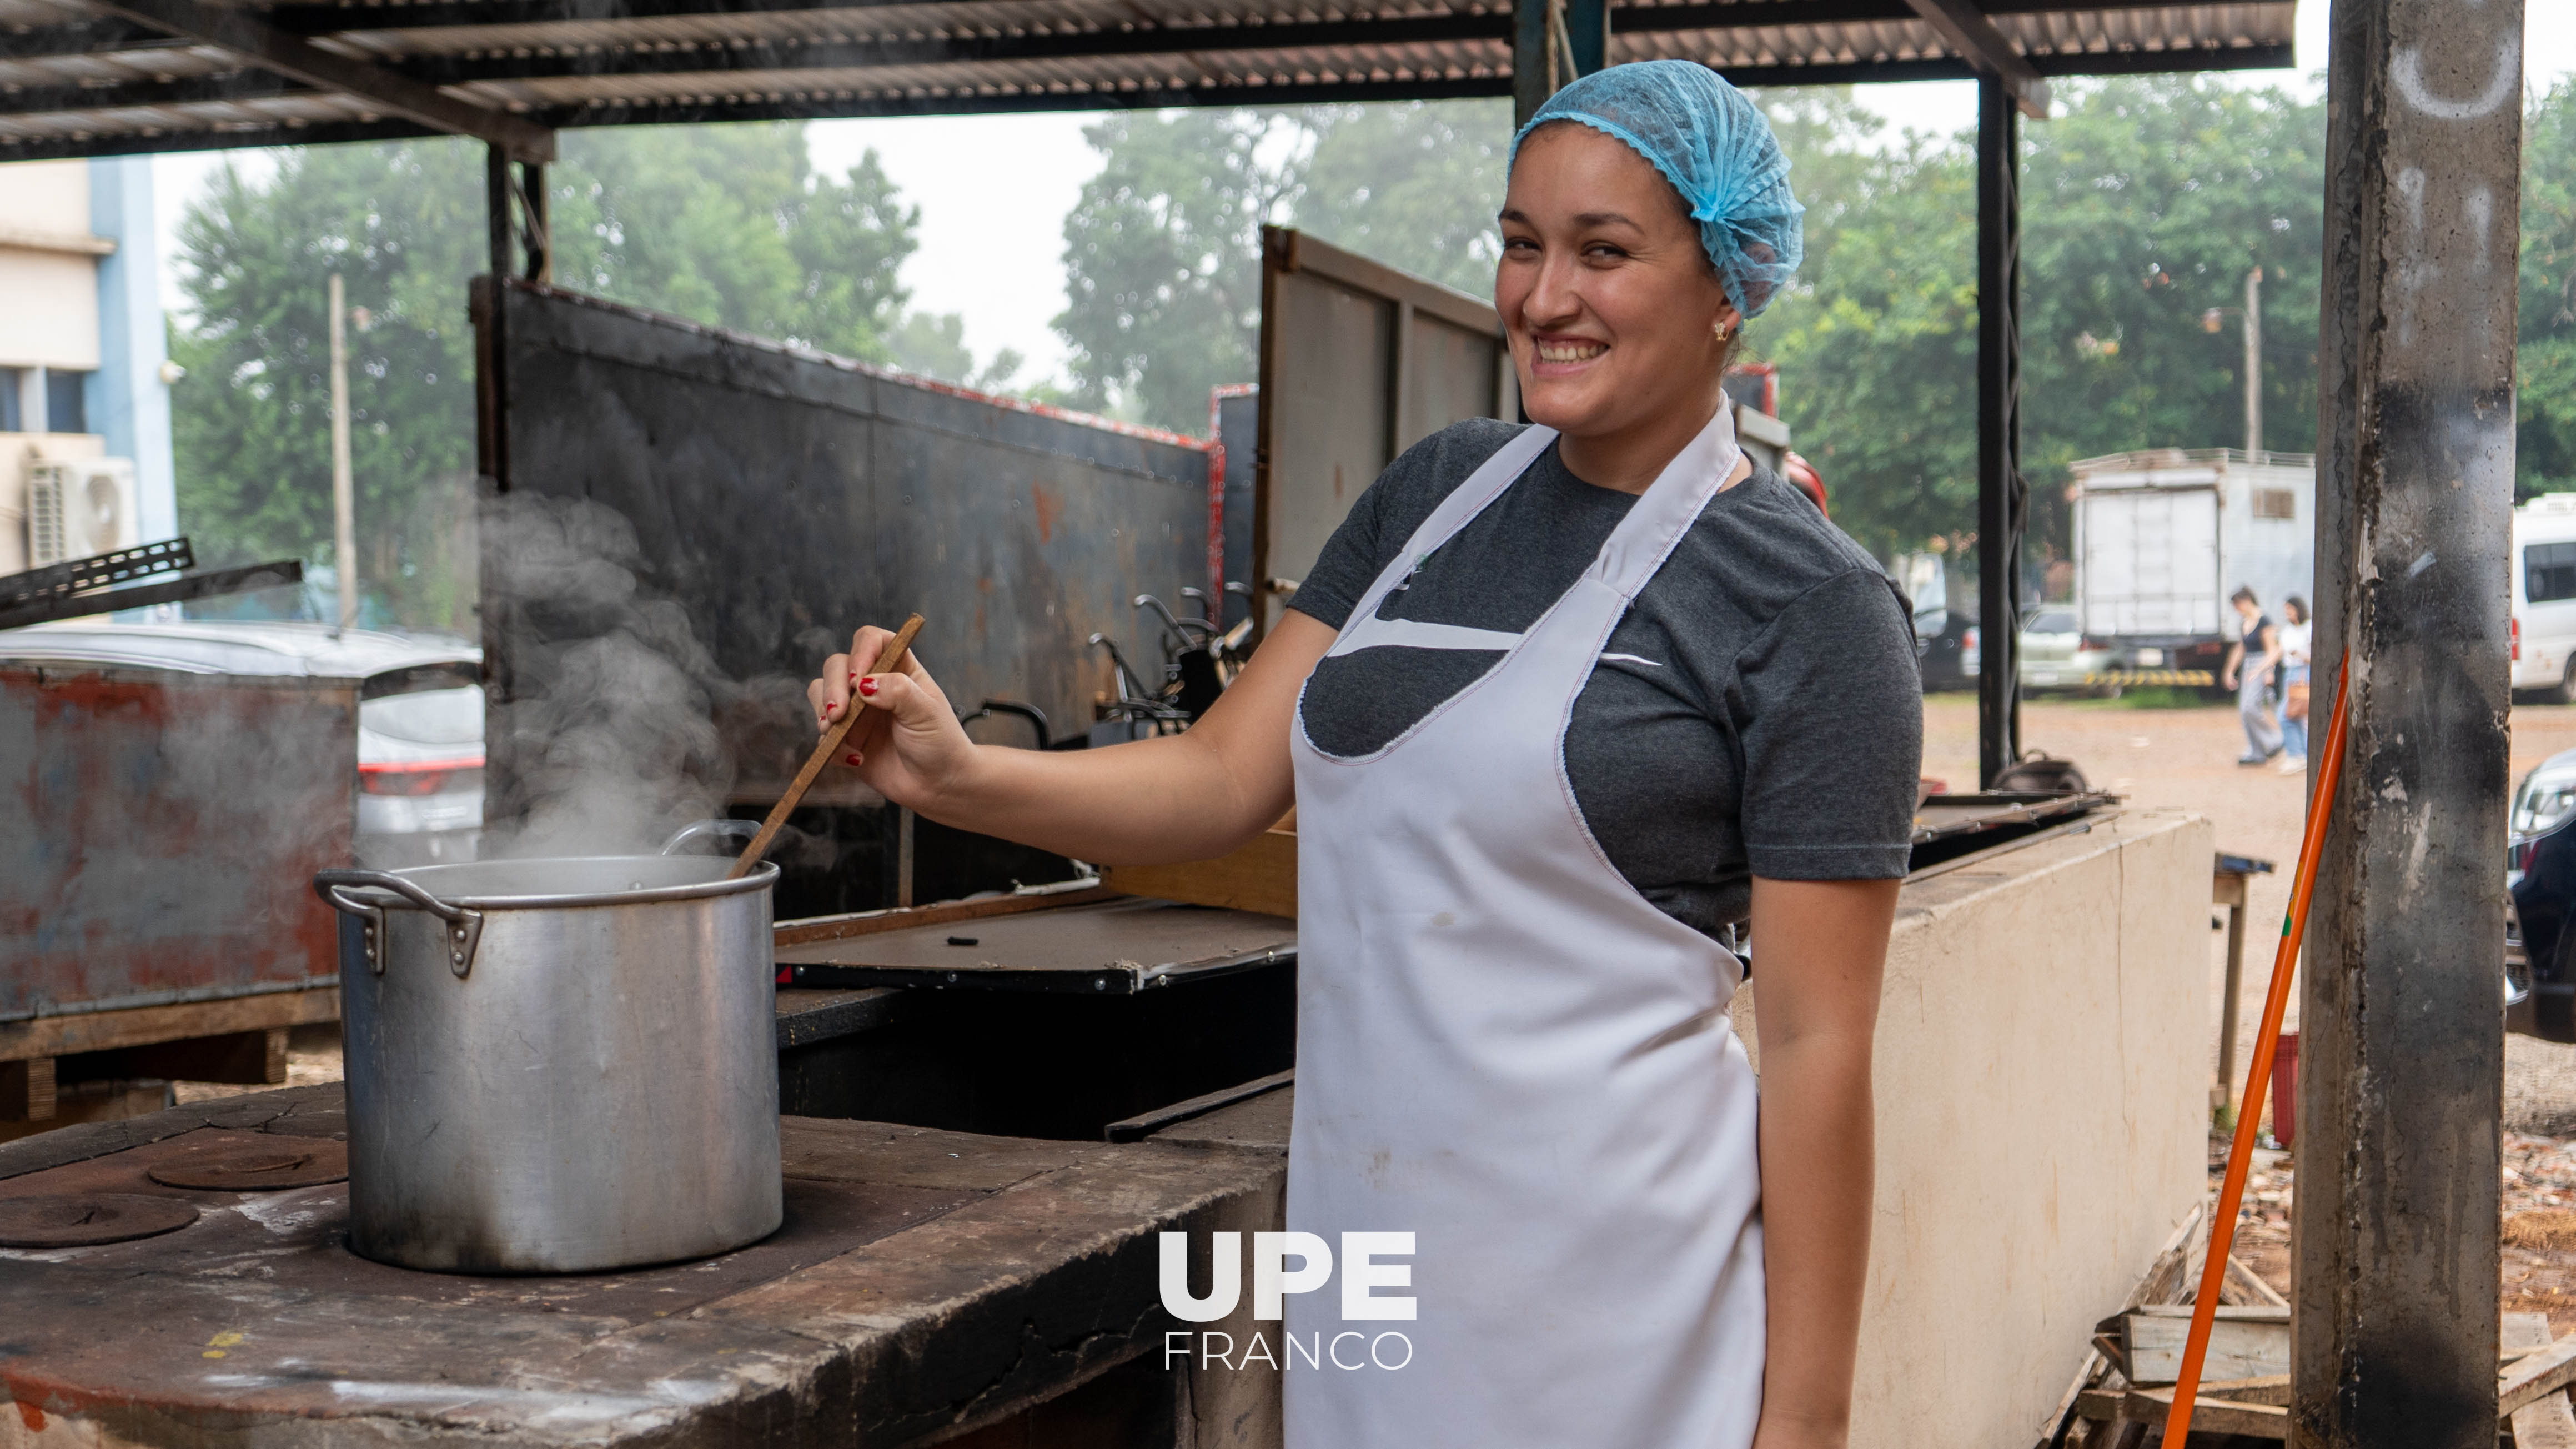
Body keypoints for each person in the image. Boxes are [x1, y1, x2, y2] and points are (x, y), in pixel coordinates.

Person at [809, 61, 1918, 1449]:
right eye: (1520, 242)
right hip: (1372, 1274)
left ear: (1725, 283)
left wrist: (1803, 1421)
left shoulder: (1807, 607)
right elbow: (1219, 775)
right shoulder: (1435, 492)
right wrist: (957, 772)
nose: (1542, 295)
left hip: (1623, 1316)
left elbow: (1819, 1047)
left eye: (1603, 250)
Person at [2221, 585, 2283, 766]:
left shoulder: (2264, 621)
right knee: (2243, 710)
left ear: (2246, 601)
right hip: (2248, 664)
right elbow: (2241, 649)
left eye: (2237, 605)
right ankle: (2256, 752)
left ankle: (2274, 740)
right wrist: (2229, 671)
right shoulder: (2245, 623)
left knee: (2250, 707)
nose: (2236, 610)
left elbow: (2272, 649)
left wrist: (2268, 671)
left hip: (2261, 664)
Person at [2276, 595, 2311, 772]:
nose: (2287, 613)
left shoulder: (2309, 628)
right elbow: (2279, 652)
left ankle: (2296, 755)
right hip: (2290, 674)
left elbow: (2317, 657)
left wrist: (2300, 655)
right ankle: (2303, 754)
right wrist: (2261, 670)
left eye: (2290, 609)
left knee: (2286, 715)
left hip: (2303, 674)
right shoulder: (2287, 631)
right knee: (2296, 716)